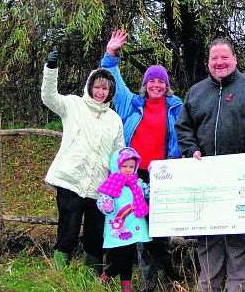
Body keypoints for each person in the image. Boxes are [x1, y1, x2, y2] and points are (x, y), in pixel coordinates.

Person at [175, 38, 245, 292]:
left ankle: (236, 287)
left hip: (240, 176)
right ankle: (209, 286)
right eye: (214, 58)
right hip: (206, 177)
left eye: (224, 57)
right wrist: (191, 150)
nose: (219, 62)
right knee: (208, 235)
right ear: (208, 63)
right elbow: (183, 127)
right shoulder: (196, 91)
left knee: (239, 236)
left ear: (234, 59)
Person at [100, 30, 182, 292]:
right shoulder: (130, 104)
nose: (155, 85)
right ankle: (149, 282)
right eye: (151, 81)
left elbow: (185, 133)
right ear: (145, 84)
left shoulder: (176, 107)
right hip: (134, 176)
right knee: (140, 226)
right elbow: (112, 77)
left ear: (166, 85)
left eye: (160, 82)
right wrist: (111, 53)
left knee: (161, 226)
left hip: (163, 173)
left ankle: (168, 275)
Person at [41, 51, 125, 272]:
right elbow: (49, 97)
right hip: (71, 180)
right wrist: (51, 69)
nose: (100, 92)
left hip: (100, 187)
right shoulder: (73, 105)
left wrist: (115, 186)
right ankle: (59, 272)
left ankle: (91, 276)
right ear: (90, 86)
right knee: (68, 228)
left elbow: (118, 155)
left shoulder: (114, 119)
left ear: (110, 92)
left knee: (95, 233)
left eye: (105, 89)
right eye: (97, 87)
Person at [97, 147, 151, 292]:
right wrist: (106, 206)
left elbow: (149, 192)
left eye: (131, 166)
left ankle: (126, 289)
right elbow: (102, 200)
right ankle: (106, 275)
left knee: (127, 260)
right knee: (120, 260)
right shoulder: (112, 182)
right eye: (124, 166)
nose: (128, 169)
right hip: (117, 229)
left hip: (133, 228)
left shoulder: (137, 183)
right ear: (117, 165)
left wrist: (155, 174)